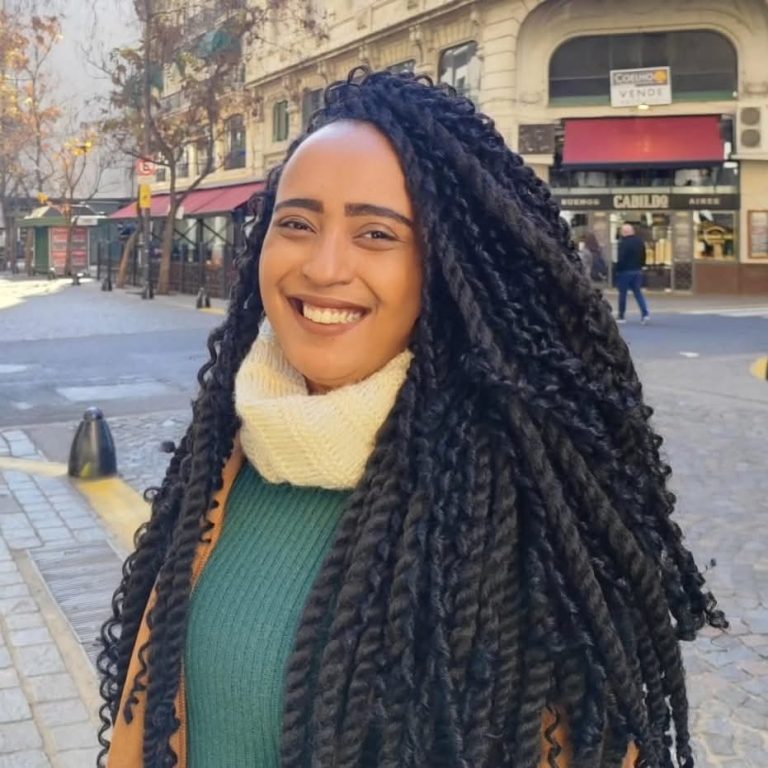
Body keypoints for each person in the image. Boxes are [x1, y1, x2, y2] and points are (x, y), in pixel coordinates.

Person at [98, 69, 726, 768]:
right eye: (297, 224)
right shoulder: (223, 456)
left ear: (449, 268)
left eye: (376, 233)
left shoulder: (518, 511)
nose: (324, 267)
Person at [615, 223, 650, 324]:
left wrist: (617, 270)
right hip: (637, 270)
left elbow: (621, 258)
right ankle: (645, 314)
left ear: (624, 232)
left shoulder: (623, 243)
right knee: (638, 293)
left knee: (623, 294)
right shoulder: (640, 242)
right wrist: (641, 266)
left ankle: (621, 316)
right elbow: (643, 255)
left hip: (625, 271)